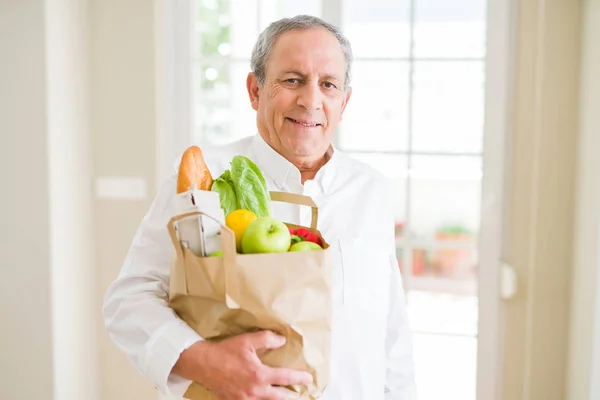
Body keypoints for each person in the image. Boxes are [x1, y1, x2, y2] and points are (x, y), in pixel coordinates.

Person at [103, 14, 417, 400]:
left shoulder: (372, 191)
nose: (311, 100)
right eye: (292, 80)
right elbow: (128, 300)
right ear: (255, 90)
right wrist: (205, 362)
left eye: (329, 85)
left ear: (344, 101)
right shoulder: (202, 180)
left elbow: (391, 332)